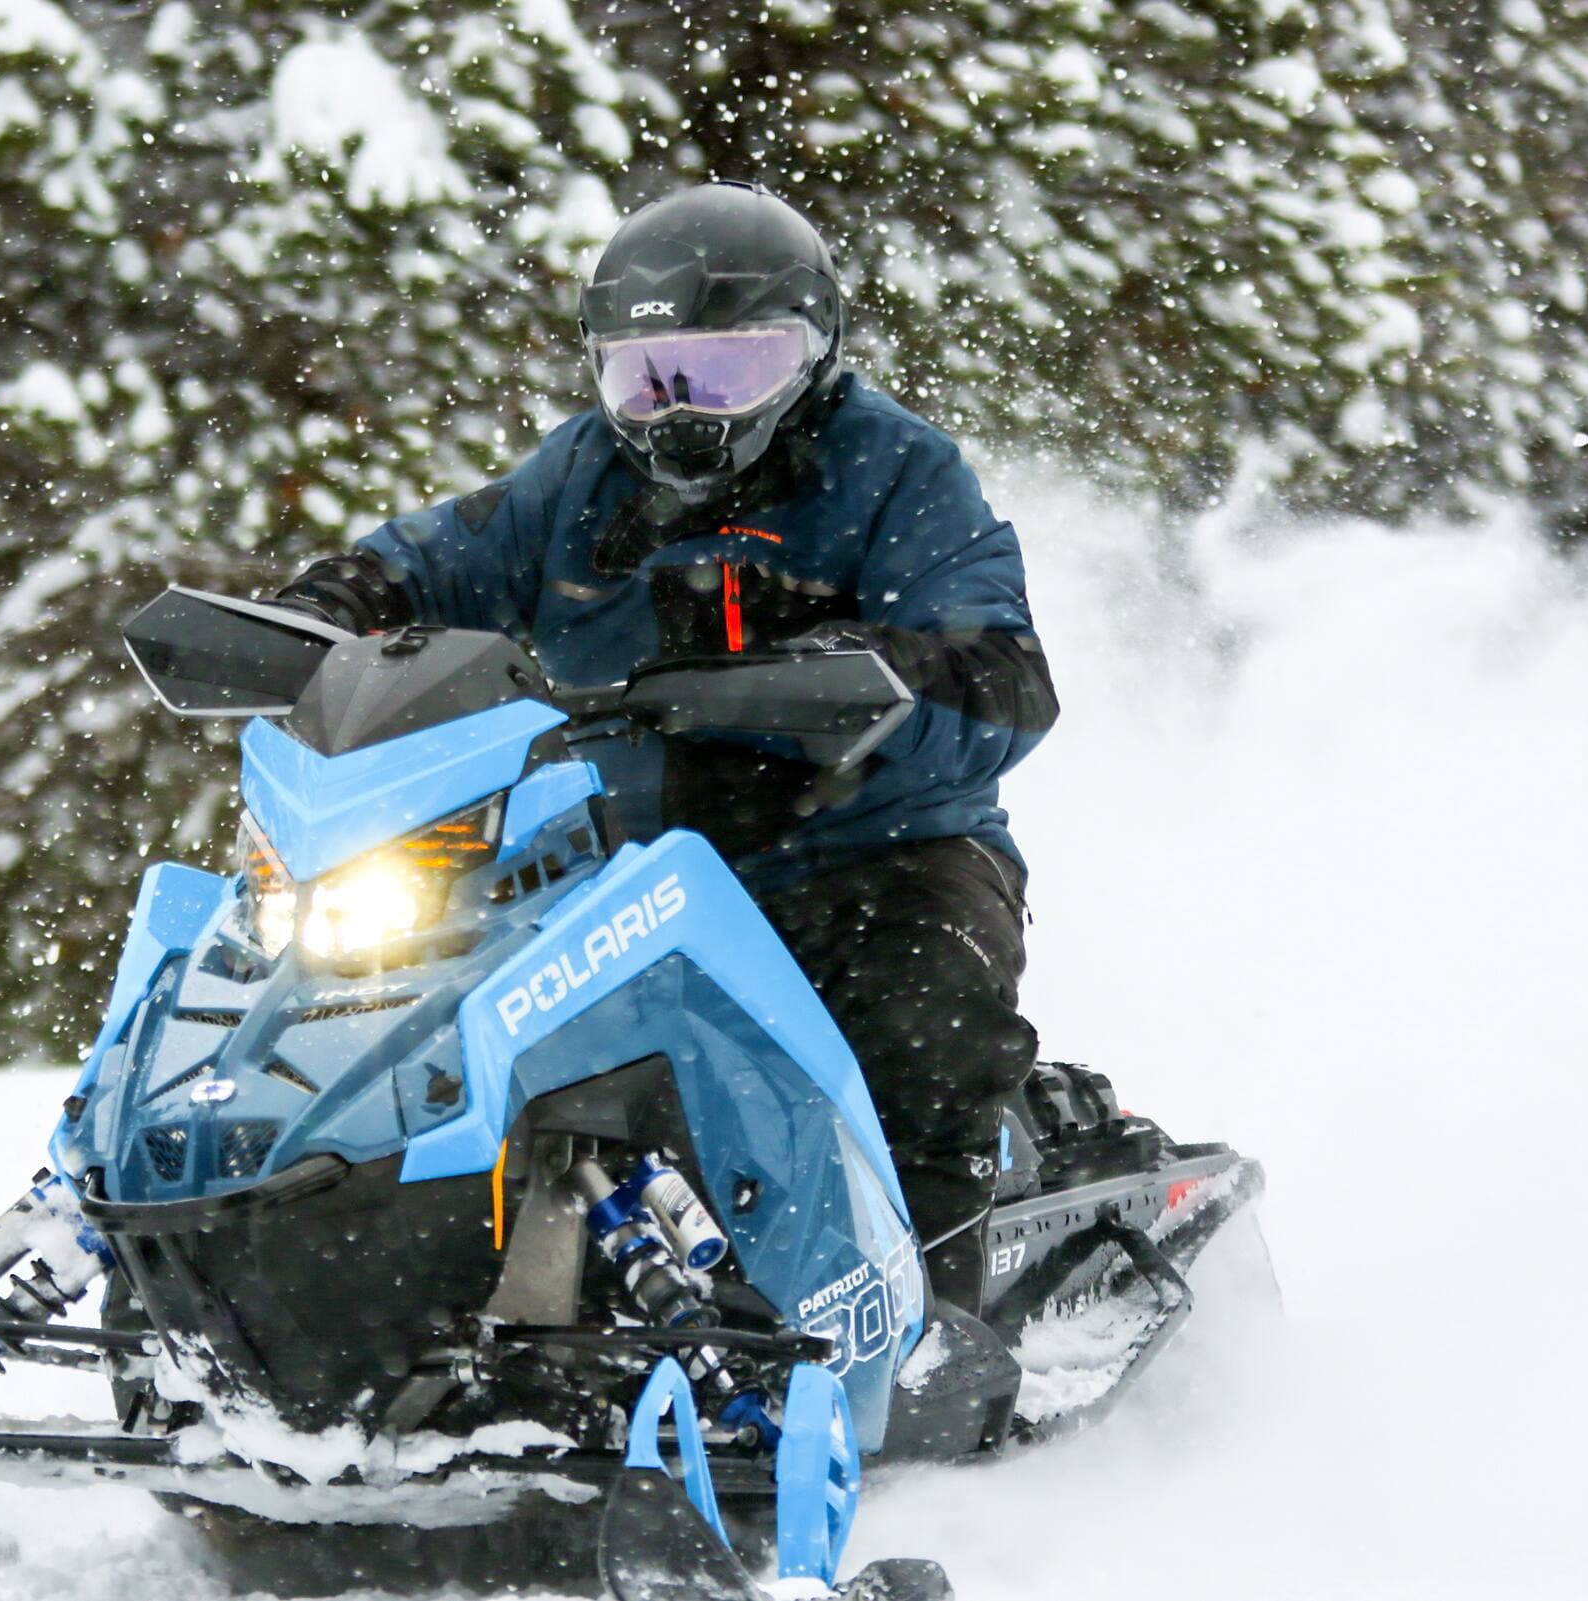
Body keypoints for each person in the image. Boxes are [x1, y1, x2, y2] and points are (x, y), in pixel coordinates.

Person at [270, 182, 1058, 1315]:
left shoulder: (900, 470)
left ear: (814, 354)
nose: (678, 409)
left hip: (869, 852)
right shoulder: (584, 475)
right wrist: (343, 602)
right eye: (644, 374)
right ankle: (374, 1303)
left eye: (725, 371)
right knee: (394, 1018)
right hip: (624, 864)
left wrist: (863, 677)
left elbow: (1003, 680)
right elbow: (450, 553)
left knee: (916, 1027)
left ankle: (925, 1337)